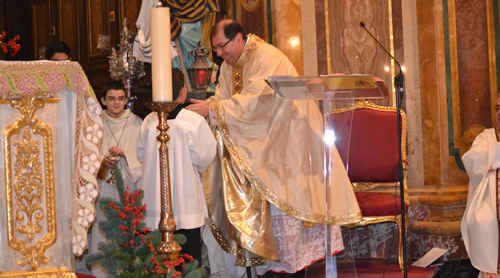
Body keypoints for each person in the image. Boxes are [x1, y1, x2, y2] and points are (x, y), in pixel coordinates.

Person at [187, 19, 361, 274]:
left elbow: (259, 102)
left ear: (238, 38)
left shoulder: (267, 57)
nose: (219, 54)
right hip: (264, 151)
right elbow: (225, 99)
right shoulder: (228, 66)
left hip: (289, 147)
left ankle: (294, 269)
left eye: (222, 46)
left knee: (290, 226)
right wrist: (209, 108)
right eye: (216, 49)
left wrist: (213, 109)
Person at [137, 69, 216, 264]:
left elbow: (140, 155)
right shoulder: (193, 121)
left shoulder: (148, 122)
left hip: (154, 201)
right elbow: (205, 156)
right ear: (182, 92)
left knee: (155, 262)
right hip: (185, 201)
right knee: (187, 260)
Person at [88, 80, 143, 278]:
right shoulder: (95, 123)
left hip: (127, 188)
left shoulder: (137, 123)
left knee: (124, 234)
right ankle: (101, 273)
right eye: (111, 99)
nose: (117, 103)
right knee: (102, 234)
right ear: (103, 101)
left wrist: (125, 153)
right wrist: (103, 163)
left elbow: (145, 155)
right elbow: (86, 154)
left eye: (121, 99)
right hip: (103, 188)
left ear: (126, 100)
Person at [461, 94, 500, 274]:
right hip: (488, 202)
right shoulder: (486, 137)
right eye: (497, 108)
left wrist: (493, 157)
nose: (499, 113)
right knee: (483, 220)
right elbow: (471, 160)